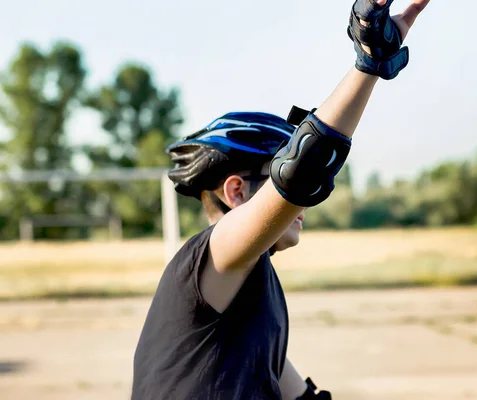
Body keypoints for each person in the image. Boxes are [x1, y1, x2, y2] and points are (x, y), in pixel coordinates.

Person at [131, 0, 431, 399]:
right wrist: (369, 64)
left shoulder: (253, 284)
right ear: (236, 191)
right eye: (271, 180)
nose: (300, 208)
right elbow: (302, 172)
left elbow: (297, 394)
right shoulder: (217, 253)